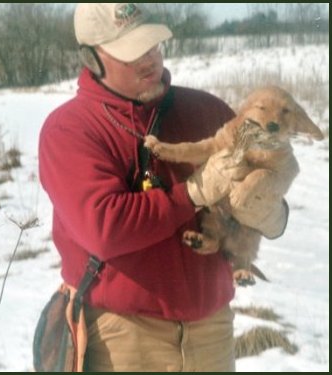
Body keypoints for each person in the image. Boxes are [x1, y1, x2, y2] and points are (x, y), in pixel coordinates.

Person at [39, 3, 288, 372]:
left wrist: (271, 214)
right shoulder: (70, 129)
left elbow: (266, 184)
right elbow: (106, 228)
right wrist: (191, 193)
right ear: (91, 59)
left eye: (152, 44)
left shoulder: (207, 110)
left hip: (212, 328)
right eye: (131, 51)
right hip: (122, 333)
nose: (149, 59)